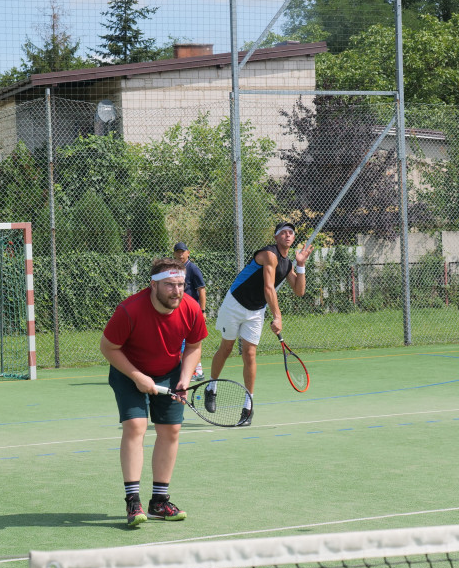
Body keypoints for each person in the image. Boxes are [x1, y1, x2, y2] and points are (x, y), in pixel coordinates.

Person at [100, 257, 208, 528]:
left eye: (181, 284)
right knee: (136, 426)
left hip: (170, 372)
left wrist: (184, 379)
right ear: (153, 286)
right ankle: (133, 502)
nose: (177, 291)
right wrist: (138, 377)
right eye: (170, 285)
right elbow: (108, 347)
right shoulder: (129, 310)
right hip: (128, 371)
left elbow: (194, 346)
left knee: (170, 431)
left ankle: (159, 502)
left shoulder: (191, 308)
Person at [206, 222, 314, 425]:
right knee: (227, 347)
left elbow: (299, 291)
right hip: (235, 303)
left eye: (291, 232)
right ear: (276, 238)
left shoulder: (287, 263)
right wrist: (277, 316)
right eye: (283, 232)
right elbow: (268, 288)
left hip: (255, 311)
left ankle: (248, 406)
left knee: (250, 353)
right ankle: (211, 387)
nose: (287, 235)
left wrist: (300, 265)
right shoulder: (269, 254)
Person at [173, 241, 207, 379]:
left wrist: (202, 311)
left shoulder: (192, 269)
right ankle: (186, 370)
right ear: (174, 254)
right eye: (178, 252)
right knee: (180, 341)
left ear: (188, 253)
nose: (180, 255)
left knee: (191, 341)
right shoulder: (175, 269)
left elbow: (202, 290)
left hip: (191, 311)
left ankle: (198, 371)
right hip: (178, 311)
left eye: (183, 252)